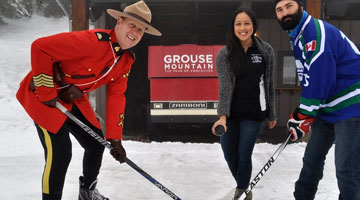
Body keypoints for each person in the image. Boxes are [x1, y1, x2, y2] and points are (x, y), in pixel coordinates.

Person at [16, 1, 161, 199]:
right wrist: (46, 92)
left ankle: (87, 192)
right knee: (60, 152)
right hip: (43, 97)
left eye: (141, 30)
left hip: (71, 98)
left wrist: (115, 138)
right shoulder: (93, 41)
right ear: (119, 22)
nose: (135, 32)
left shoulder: (126, 59)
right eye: (132, 25)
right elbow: (40, 47)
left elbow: (116, 95)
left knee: (95, 143)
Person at [274, 0, 360, 199]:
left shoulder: (315, 32)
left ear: (301, 7)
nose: (284, 12)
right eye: (279, 10)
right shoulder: (298, 36)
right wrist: (304, 113)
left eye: (289, 6)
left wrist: (305, 112)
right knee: (311, 160)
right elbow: (311, 78)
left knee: (347, 169)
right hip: (327, 108)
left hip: (351, 105)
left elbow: (322, 76)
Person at [211, 7, 277, 200]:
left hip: (254, 114)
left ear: (253, 26)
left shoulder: (265, 51)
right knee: (229, 155)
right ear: (233, 28)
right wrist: (222, 117)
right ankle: (244, 186)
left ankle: (241, 192)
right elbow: (224, 87)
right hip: (230, 115)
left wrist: (271, 113)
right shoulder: (224, 54)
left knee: (243, 154)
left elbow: (270, 83)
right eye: (238, 24)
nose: (242, 27)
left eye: (246, 23)